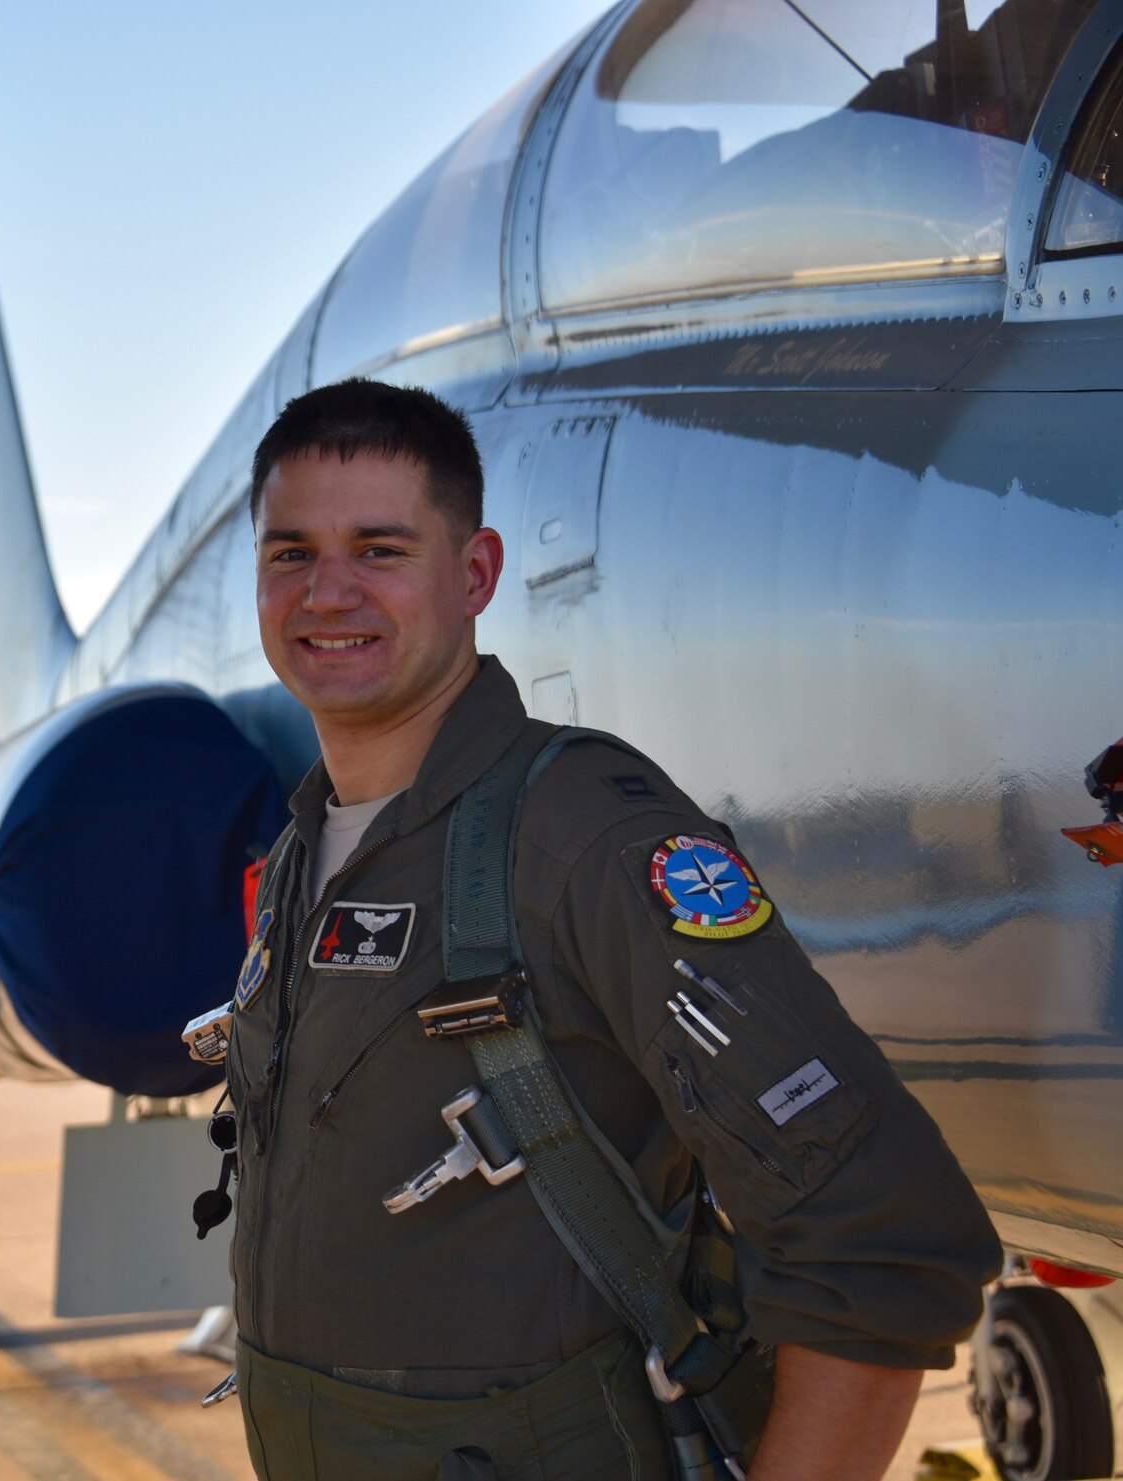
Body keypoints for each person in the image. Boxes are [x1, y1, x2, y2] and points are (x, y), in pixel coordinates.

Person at [219, 380, 1000, 1481]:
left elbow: (878, 1231)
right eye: (289, 552)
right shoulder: (309, 844)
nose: (325, 590)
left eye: (379, 549)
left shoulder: (578, 836)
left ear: (475, 572)